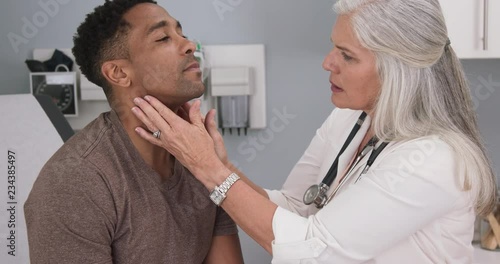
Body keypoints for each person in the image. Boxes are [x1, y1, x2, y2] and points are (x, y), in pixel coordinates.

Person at [130, 0, 499, 263]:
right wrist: (224, 167)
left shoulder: (433, 159)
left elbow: (314, 250)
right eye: (332, 48)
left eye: (347, 55)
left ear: (398, 70)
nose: (327, 63)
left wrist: (209, 170)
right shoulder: (351, 120)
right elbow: (295, 210)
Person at [23, 1, 244, 263]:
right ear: (118, 73)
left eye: (181, 34)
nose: (190, 45)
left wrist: (217, 169)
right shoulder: (74, 183)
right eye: (163, 38)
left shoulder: (203, 162)